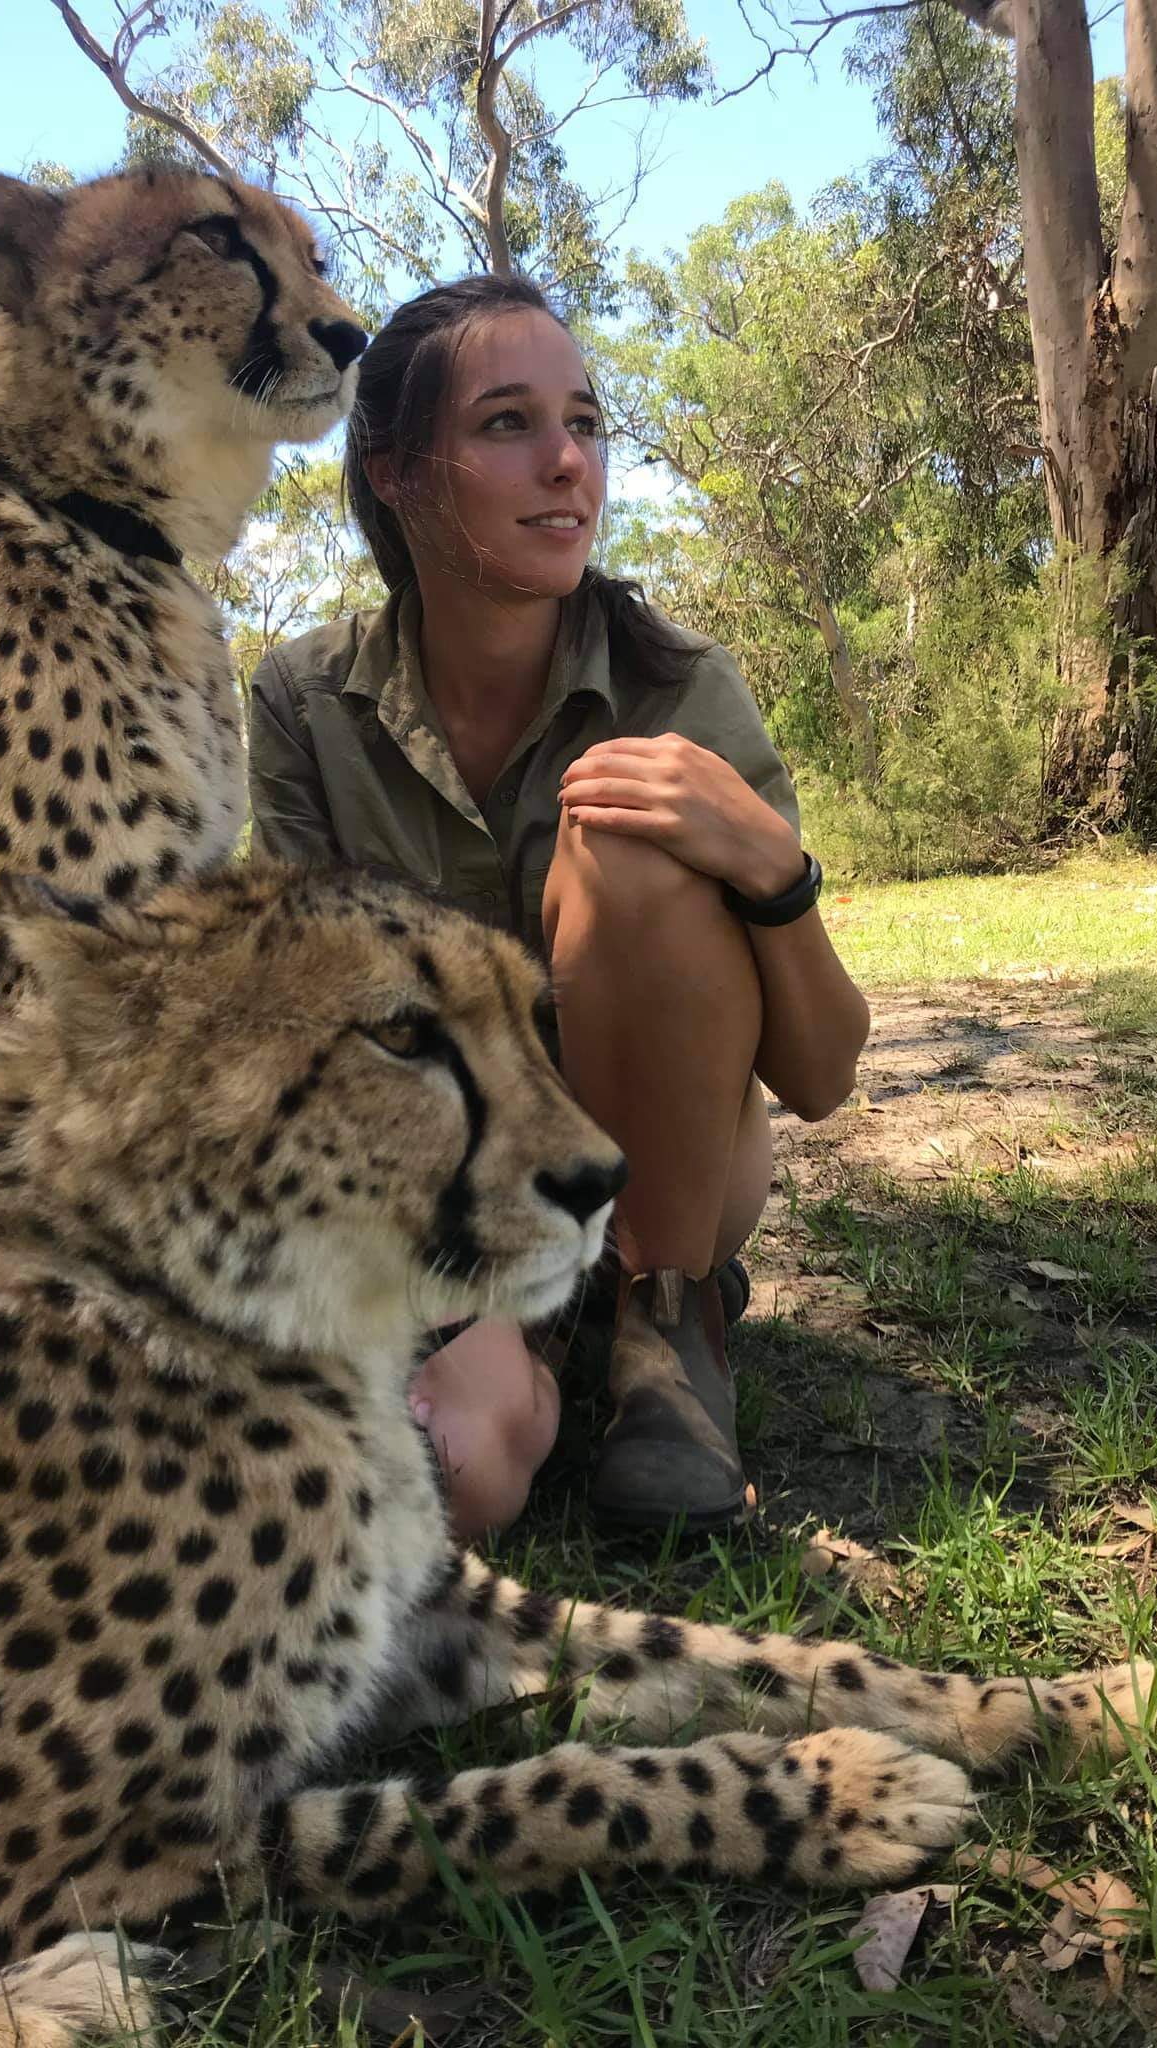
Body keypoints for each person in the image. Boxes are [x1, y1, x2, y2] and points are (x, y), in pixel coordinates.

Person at [247, 274, 869, 1544]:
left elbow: (820, 1076)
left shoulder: (678, 685)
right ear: (396, 471)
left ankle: (662, 1332)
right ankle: (519, 1341)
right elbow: (308, 1033)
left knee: (630, 839)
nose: (567, 464)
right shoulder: (304, 701)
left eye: (585, 424)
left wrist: (768, 868)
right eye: (507, 425)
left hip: (670, 1169)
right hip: (441, 1182)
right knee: (458, 1475)